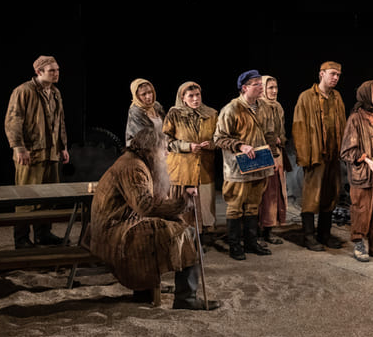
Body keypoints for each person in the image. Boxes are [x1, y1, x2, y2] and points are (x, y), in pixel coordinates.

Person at [88, 127, 219, 310]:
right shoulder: (133, 167)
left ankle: (144, 290)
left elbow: (150, 201)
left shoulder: (137, 162)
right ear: (150, 148)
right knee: (189, 235)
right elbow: (145, 206)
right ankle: (186, 298)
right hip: (116, 231)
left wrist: (175, 212)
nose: (167, 153)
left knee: (175, 226)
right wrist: (182, 203)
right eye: (163, 148)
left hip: (120, 224)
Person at [4, 55, 70, 249]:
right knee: (26, 197)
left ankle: (43, 234)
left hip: (51, 153)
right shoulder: (23, 91)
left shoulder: (55, 92)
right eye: (52, 70)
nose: (56, 73)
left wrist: (63, 147)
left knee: (49, 197)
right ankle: (22, 238)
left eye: (57, 70)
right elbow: (13, 120)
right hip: (31, 153)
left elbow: (60, 121)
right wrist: (19, 147)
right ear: (39, 72)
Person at [214, 70, 275, 260]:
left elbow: (270, 133)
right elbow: (219, 138)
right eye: (256, 84)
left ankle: (251, 243)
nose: (261, 87)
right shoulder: (231, 109)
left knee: (253, 206)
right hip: (238, 168)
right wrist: (240, 145)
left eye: (261, 84)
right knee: (235, 206)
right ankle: (235, 245)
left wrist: (273, 155)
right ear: (244, 88)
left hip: (260, 165)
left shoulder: (264, 107)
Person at [292, 61, 346, 251]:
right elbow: (299, 128)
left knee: (330, 195)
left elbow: (342, 124)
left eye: (338, 75)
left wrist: (343, 150)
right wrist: (305, 157)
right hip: (315, 156)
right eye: (332, 74)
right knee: (311, 196)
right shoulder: (306, 97)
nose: (335, 78)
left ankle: (325, 234)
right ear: (321, 74)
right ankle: (308, 236)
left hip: (333, 156)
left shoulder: (337, 97)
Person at [340, 80, 373, 262]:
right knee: (362, 209)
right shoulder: (355, 118)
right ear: (366, 94)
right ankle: (359, 243)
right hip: (363, 171)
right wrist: (366, 159)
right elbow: (346, 151)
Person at [162, 81, 218, 236]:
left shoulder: (211, 114)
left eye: (197, 95)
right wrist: (188, 146)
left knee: (205, 205)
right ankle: (184, 237)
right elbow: (166, 141)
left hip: (204, 167)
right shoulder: (174, 114)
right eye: (191, 96)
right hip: (182, 168)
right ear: (183, 98)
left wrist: (211, 145)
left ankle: (204, 236)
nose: (195, 99)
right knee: (184, 207)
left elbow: (220, 139)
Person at [257, 75, 288, 245]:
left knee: (275, 192)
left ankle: (269, 229)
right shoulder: (258, 107)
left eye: (276, 87)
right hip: (263, 154)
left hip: (278, 153)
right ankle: (256, 232)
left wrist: (280, 140)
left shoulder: (278, 107)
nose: (274, 91)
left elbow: (282, 132)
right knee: (263, 192)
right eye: (270, 88)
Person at [126, 78, 165, 147]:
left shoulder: (156, 106)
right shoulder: (135, 112)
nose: (148, 96)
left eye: (150, 92)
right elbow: (143, 138)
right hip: (143, 148)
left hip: (161, 146)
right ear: (137, 96)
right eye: (143, 94)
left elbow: (166, 128)